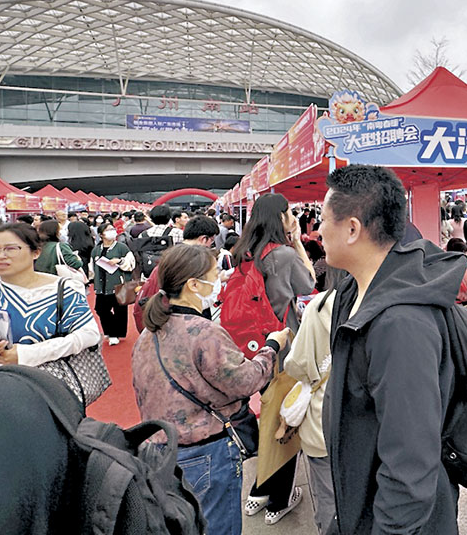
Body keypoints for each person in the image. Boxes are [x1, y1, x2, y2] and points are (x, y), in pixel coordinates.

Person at [320, 164, 466, 534]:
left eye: (323, 220)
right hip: (358, 500)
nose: (317, 230)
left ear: (352, 229)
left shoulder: (400, 325)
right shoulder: (352, 292)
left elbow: (410, 466)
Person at [131, 243, 290, 535]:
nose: (219, 282)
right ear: (193, 284)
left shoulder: (148, 334)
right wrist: (272, 347)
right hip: (205, 454)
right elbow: (245, 381)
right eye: (214, 275)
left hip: (159, 453)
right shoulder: (202, 332)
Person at [233, 193, 315, 524]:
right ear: (280, 218)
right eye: (290, 212)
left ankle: (258, 491)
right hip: (286, 347)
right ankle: (277, 500)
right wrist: (298, 244)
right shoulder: (282, 255)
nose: (294, 215)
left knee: (270, 415)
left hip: (258, 347)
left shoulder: (246, 253)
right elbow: (309, 282)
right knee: (286, 421)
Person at [284, 265, 346, 534]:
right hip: (368, 425)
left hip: (324, 421)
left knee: (329, 497)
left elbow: (296, 364)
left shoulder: (320, 307)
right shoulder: (384, 300)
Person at [0, 223, 100, 377]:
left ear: (36, 252)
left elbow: (89, 334)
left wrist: (28, 354)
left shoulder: (63, 289)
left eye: (11, 248)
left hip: (53, 386)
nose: (1, 256)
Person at [134, 215, 220, 333]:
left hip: (165, 317)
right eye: (212, 240)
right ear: (204, 239)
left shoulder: (172, 255)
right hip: (188, 319)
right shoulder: (197, 261)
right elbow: (204, 297)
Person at [90, 223, 135, 345]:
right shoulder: (96, 250)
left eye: (112, 229)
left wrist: (119, 261)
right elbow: (92, 267)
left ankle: (115, 334)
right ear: (101, 234)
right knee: (100, 309)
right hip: (101, 285)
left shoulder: (121, 247)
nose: (112, 232)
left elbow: (131, 263)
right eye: (108, 230)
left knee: (119, 310)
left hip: (118, 284)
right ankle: (110, 330)